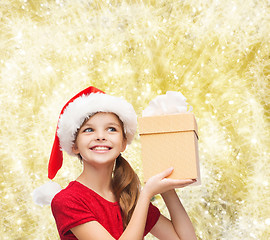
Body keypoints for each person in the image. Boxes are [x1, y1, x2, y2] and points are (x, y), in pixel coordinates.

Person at [47, 86, 197, 240]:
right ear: (75, 145)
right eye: (88, 130)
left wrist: (166, 187)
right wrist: (147, 194)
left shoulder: (128, 198)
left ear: (124, 143)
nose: (100, 136)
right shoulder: (67, 201)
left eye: (111, 129)